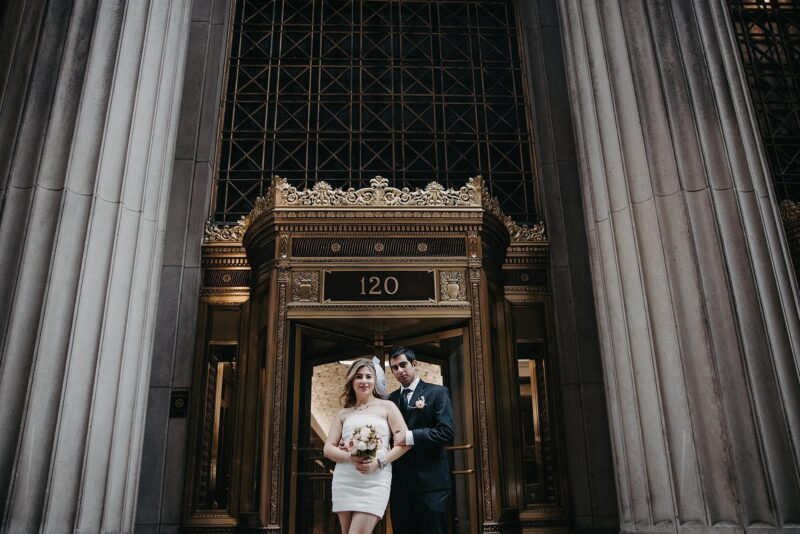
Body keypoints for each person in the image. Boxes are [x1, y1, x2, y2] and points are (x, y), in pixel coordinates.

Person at [324, 358, 410, 534]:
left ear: (375, 380)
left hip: (375, 478)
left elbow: (405, 443)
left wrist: (380, 462)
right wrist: (351, 457)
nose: (364, 381)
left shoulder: (387, 407)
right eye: (359, 376)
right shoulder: (343, 413)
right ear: (352, 381)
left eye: (368, 376)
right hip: (345, 479)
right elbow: (328, 449)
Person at [388, 346, 455, 534]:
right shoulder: (390, 400)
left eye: (403, 365)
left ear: (414, 363)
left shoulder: (437, 393)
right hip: (400, 486)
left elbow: (446, 432)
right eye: (395, 368)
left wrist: (409, 436)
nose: (400, 371)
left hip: (431, 484)